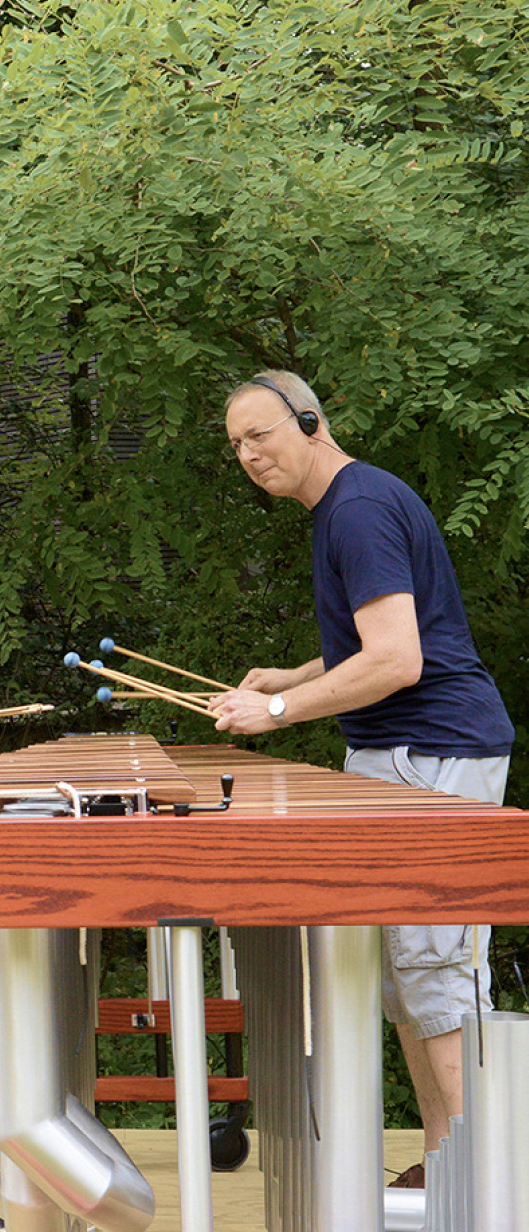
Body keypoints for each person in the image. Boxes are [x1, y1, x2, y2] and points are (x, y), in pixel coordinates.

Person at [211, 369, 514, 1189]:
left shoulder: (357, 509)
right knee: (410, 985)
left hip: (435, 754)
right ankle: (454, 1162)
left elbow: (399, 661)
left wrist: (276, 716)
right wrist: (289, 677)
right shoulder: (349, 506)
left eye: (260, 434)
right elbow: (375, 642)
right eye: (236, 444)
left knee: (436, 978)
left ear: (309, 421)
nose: (248, 454)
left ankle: (486, 1184)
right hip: (410, 755)